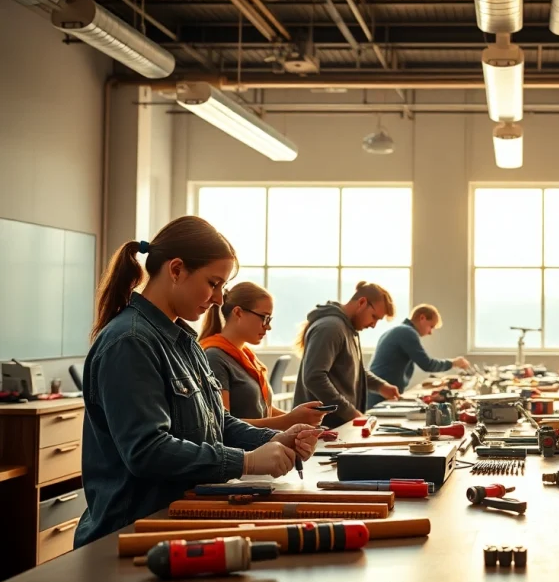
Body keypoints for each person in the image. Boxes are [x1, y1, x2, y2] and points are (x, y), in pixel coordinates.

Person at [75, 216, 321, 548]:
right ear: (176, 270)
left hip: (176, 523)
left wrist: (277, 438)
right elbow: (147, 451)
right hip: (132, 535)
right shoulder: (130, 342)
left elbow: (215, 421)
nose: (219, 299)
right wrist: (246, 461)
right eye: (213, 283)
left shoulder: (185, 342)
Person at [198, 281, 329, 430]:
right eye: (264, 318)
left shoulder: (246, 356)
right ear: (238, 313)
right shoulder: (214, 357)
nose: (268, 326)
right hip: (243, 452)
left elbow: (262, 410)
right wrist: (289, 421)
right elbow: (221, 425)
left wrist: (301, 421)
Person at [293, 282, 402, 428]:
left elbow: (352, 369)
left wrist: (381, 386)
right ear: (362, 302)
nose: (373, 325)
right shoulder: (331, 328)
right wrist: (350, 412)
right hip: (320, 430)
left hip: (337, 427)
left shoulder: (348, 329)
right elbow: (314, 377)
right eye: (374, 317)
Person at [367, 304, 471, 408]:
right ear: (422, 318)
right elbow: (427, 364)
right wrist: (454, 363)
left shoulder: (399, 330)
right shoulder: (407, 332)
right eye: (431, 326)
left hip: (378, 392)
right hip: (379, 395)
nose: (430, 332)